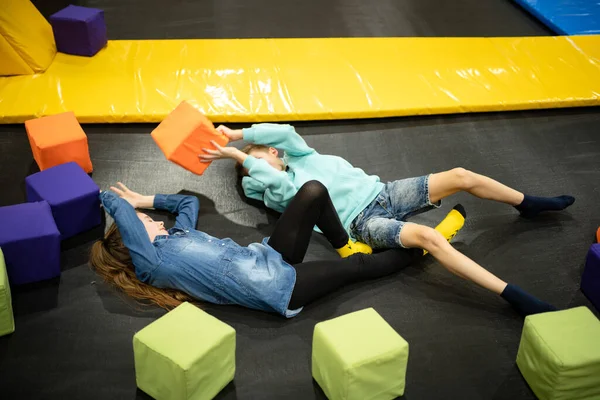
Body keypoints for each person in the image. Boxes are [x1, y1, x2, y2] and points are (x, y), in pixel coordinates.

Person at [199, 123, 570, 315]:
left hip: (385, 192)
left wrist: (240, 135)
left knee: (461, 176)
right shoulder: (283, 189)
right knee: (430, 239)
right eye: (254, 169)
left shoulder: (300, 153)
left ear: (275, 151)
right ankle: (513, 295)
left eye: (261, 157)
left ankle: (528, 203)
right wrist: (240, 159)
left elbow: (285, 133)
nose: (262, 164)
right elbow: (274, 181)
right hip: (363, 224)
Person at [89, 180, 466, 317]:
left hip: (266, 255)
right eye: (145, 221)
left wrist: (145, 198)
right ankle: (431, 244)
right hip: (276, 287)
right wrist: (104, 196)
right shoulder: (151, 264)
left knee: (314, 192)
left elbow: (187, 206)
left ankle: (346, 247)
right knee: (360, 272)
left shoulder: (178, 237)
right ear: (132, 238)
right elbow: (121, 212)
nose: (155, 220)